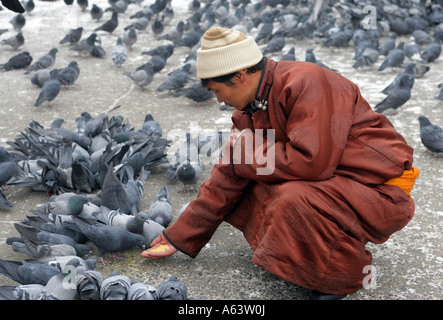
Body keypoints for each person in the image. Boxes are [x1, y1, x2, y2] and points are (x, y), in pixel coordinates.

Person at [141, 27, 420, 300]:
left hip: (379, 190)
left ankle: (340, 276)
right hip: (339, 185)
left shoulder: (307, 82)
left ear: (239, 76)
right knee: (251, 184)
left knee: (292, 195)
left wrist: (245, 156)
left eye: (217, 90)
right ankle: (302, 257)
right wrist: (179, 236)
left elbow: (313, 162)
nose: (219, 100)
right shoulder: (250, 108)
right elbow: (227, 176)